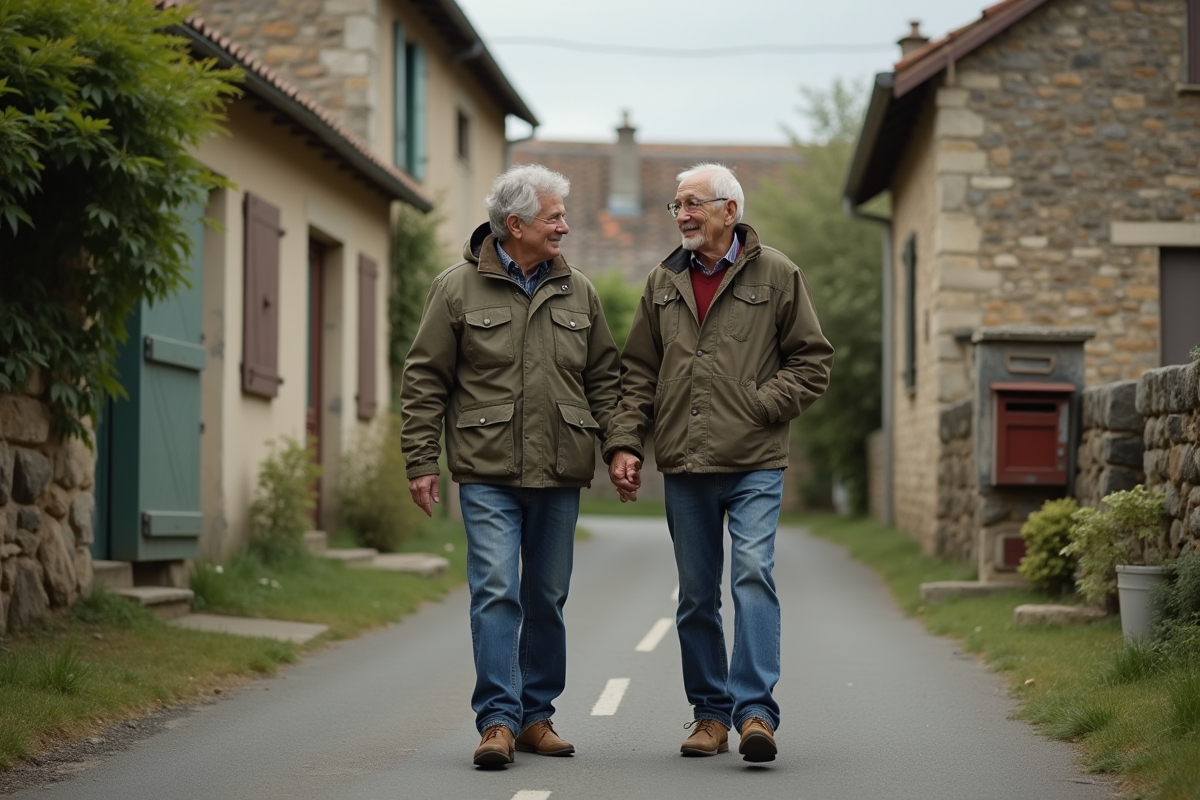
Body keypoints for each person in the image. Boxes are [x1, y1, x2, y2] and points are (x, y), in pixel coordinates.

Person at [605, 163, 833, 763]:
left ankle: (755, 712)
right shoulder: (661, 281)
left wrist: (760, 406)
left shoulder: (778, 274)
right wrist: (625, 443)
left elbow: (812, 362)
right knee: (696, 595)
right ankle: (710, 714)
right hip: (684, 461)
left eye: (693, 204)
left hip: (756, 459)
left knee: (752, 573)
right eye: (677, 205)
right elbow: (639, 372)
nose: (682, 215)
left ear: (729, 211)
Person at [400, 164, 621, 768]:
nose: (565, 227)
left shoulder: (580, 291)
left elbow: (605, 379)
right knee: (496, 591)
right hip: (486, 470)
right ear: (516, 224)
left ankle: (536, 717)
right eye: (554, 218)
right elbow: (425, 379)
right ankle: (497, 720)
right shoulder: (455, 289)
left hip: (560, 469)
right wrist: (421, 459)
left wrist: (619, 447)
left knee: (546, 597)